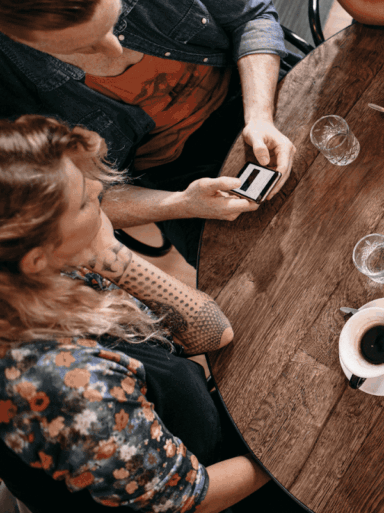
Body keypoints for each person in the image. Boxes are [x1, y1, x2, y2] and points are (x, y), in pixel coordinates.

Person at [0, 0, 297, 266]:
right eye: (81, 47)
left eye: (114, 20)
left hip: (253, 90)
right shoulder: (7, 78)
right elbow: (74, 201)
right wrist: (182, 203)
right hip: (177, 174)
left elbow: (252, 16)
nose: (115, 49)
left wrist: (259, 116)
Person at [0, 115, 273, 512]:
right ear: (36, 258)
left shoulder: (45, 272)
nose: (98, 189)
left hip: (188, 436)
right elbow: (189, 499)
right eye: (82, 201)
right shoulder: (70, 386)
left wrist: (108, 253)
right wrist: (275, 454)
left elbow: (212, 332)